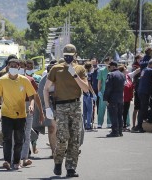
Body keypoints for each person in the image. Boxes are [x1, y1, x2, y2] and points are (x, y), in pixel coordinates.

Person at [44, 44, 89, 177]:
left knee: (75, 139)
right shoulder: (56, 69)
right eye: (66, 56)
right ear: (63, 55)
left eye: (71, 55)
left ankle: (71, 168)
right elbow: (46, 88)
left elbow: (86, 89)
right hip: (61, 107)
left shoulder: (80, 69)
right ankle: (58, 162)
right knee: (63, 138)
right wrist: (47, 107)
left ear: (75, 55)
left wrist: (75, 75)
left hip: (75, 106)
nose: (68, 58)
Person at [0, 59, 37, 170]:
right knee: (7, 139)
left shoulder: (24, 80)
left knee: (19, 139)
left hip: (21, 115)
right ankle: (7, 161)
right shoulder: (2, 80)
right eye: (10, 65)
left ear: (19, 67)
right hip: (6, 114)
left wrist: (32, 105)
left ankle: (17, 162)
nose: (12, 67)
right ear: (7, 66)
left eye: (15, 66)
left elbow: (32, 96)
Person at [18, 59, 44, 167]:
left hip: (27, 106)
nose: (19, 69)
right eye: (16, 66)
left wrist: (41, 112)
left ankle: (24, 158)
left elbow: (35, 96)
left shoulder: (30, 80)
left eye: (22, 66)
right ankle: (15, 158)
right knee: (15, 134)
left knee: (27, 133)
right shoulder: (6, 80)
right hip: (12, 107)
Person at [132, 59, 152, 133]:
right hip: (145, 92)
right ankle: (139, 126)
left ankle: (139, 125)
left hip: (141, 91)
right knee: (143, 108)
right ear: (151, 65)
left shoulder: (144, 70)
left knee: (142, 108)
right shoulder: (150, 71)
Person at [104, 61, 125, 137]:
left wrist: (105, 98)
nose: (108, 69)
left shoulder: (111, 74)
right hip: (120, 97)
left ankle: (115, 131)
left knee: (113, 115)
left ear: (113, 67)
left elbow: (108, 87)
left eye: (109, 67)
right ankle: (120, 131)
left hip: (112, 98)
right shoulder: (122, 74)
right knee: (119, 115)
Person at [118, 65, 140, 131]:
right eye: (125, 69)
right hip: (121, 97)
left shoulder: (128, 76)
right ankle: (119, 125)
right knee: (120, 112)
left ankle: (124, 125)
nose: (127, 70)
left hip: (128, 97)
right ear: (122, 71)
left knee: (125, 111)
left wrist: (143, 64)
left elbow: (136, 71)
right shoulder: (119, 77)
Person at [97, 57, 112, 128]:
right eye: (107, 62)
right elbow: (99, 82)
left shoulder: (113, 70)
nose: (108, 63)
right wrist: (99, 91)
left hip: (111, 92)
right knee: (101, 108)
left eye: (109, 61)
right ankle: (99, 123)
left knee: (110, 107)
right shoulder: (101, 70)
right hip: (103, 92)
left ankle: (109, 123)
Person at [83, 62, 97, 130]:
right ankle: (88, 125)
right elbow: (89, 85)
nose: (92, 67)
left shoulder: (84, 74)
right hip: (89, 94)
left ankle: (84, 124)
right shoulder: (89, 75)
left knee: (85, 111)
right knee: (89, 111)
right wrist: (93, 93)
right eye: (92, 66)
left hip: (84, 94)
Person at [132, 54, 143, 129]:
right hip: (137, 87)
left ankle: (139, 124)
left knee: (141, 108)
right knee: (136, 108)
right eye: (140, 59)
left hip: (141, 87)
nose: (142, 60)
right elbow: (136, 72)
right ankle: (133, 124)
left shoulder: (141, 65)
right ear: (137, 59)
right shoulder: (135, 66)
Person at [90, 58, 99, 125]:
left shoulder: (100, 70)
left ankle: (99, 120)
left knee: (99, 106)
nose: (93, 65)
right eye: (92, 64)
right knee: (92, 106)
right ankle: (91, 120)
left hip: (98, 90)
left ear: (97, 63)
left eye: (94, 63)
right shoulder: (91, 71)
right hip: (92, 91)